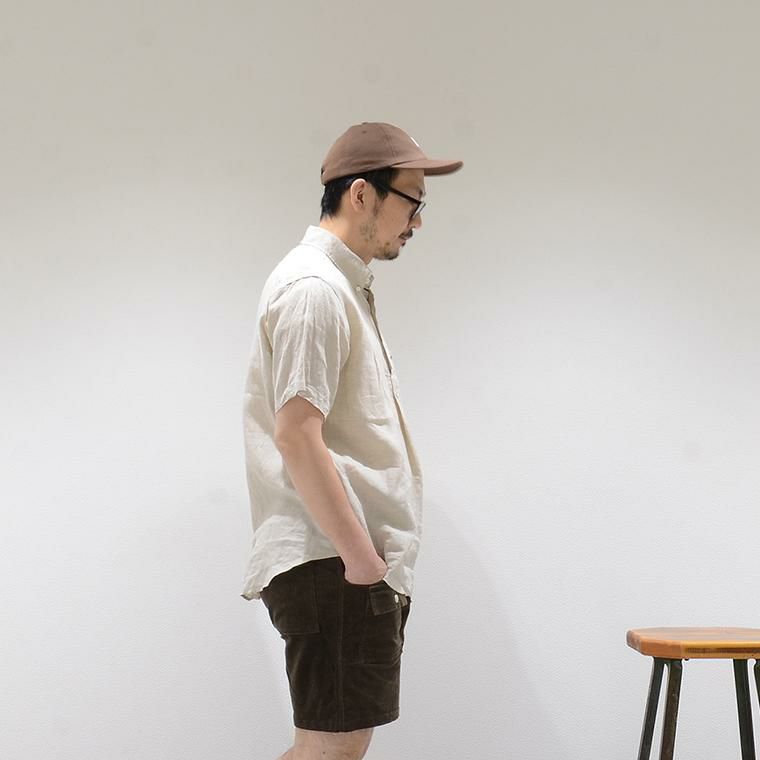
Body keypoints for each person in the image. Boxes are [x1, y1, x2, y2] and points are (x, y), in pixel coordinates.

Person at [240, 121, 463, 760]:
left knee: (328, 748)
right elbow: (295, 435)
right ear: (362, 194)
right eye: (412, 201)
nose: (417, 221)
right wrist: (361, 561)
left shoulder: (339, 286)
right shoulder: (315, 290)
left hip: (339, 563)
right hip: (333, 562)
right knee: (332, 750)